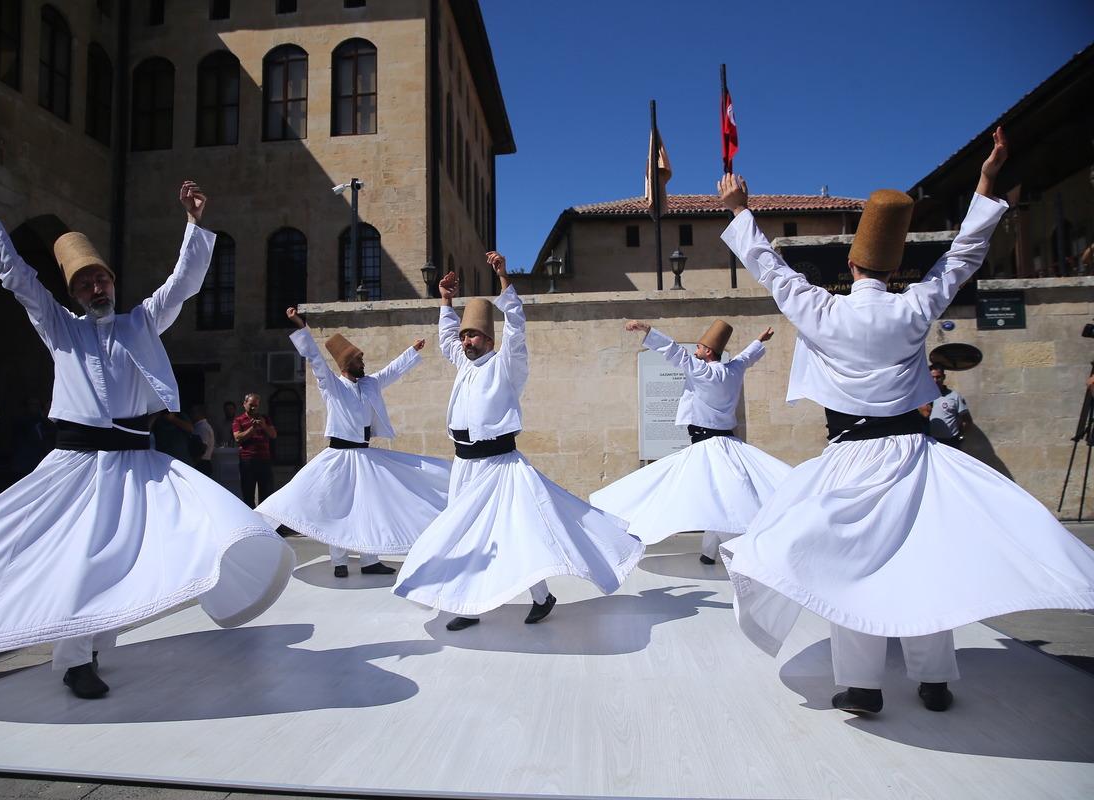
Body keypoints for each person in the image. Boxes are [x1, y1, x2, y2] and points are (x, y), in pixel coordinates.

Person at [715, 127, 1094, 715]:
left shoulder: (820, 309)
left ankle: (863, 685)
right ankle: (934, 679)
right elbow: (962, 258)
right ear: (895, 268)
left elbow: (771, 268)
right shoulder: (915, 307)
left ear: (850, 263)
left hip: (850, 456)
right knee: (925, 558)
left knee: (850, 565)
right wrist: (986, 182)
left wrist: (740, 209)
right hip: (914, 454)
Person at [0, 174, 295, 700]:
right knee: (79, 561)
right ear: (74, 295)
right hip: (79, 464)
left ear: (112, 282)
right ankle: (75, 661)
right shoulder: (62, 327)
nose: (95, 288)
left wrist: (194, 223)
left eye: (100, 279)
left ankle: (94, 644)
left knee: (135, 554)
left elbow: (182, 284)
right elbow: (18, 278)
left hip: (137, 462)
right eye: (84, 284)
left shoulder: (142, 322)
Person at [393, 253, 644, 630]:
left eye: (472, 335)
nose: (466, 341)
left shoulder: (506, 365)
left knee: (519, 531)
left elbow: (516, 327)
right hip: (465, 465)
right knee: (467, 534)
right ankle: (469, 604)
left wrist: (504, 280)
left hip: (499, 465)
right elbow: (446, 340)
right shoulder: (464, 364)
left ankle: (541, 597)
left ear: (488, 338)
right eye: (464, 336)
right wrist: (445, 301)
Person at [257, 307, 451, 577]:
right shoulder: (333, 386)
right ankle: (339, 561)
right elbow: (315, 360)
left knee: (369, 506)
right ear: (347, 364)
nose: (364, 363)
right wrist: (300, 326)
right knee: (338, 507)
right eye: (359, 360)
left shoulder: (369, 384)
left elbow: (391, 371)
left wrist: (412, 351)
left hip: (364, 456)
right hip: (339, 456)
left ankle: (370, 560)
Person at [591, 320, 791, 564]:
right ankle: (709, 553)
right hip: (729, 443)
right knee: (718, 495)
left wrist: (647, 330)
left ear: (708, 351)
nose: (695, 350)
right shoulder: (733, 370)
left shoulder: (703, 371)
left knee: (717, 498)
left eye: (699, 347)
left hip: (708, 447)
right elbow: (746, 357)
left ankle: (739, 556)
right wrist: (759, 340)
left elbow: (674, 351)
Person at [233, 394, 277, 508]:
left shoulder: (264, 418)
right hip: (247, 461)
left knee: (267, 493)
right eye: (251, 405)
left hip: (264, 460)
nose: (253, 408)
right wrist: (252, 429)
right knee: (248, 492)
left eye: (256, 405)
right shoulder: (239, 420)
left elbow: (273, 435)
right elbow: (237, 438)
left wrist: (264, 426)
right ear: (244, 404)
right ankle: (251, 516)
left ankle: (264, 517)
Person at [921, 364, 971, 448]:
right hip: (929, 442)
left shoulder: (954, 396)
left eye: (938, 377)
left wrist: (960, 436)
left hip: (950, 442)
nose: (935, 380)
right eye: (932, 377)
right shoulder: (923, 397)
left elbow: (966, 420)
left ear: (943, 377)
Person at [190, 404, 216, 477]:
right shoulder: (199, 426)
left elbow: (202, 447)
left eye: (193, 412)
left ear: (199, 413)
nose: (191, 415)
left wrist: (195, 462)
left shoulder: (202, 427)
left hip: (202, 463)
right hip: (201, 463)